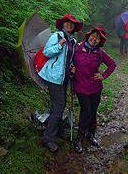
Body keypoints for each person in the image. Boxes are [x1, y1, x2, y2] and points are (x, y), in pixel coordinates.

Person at [38, 13, 82, 153]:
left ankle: (56, 130)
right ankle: (47, 137)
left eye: (72, 23)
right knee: (59, 106)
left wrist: (72, 66)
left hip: (65, 77)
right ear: (62, 24)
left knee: (58, 106)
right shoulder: (56, 37)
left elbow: (69, 58)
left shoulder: (73, 41)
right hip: (54, 77)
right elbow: (46, 52)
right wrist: (58, 45)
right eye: (67, 22)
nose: (69, 25)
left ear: (74, 26)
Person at [70, 27, 116, 153]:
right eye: (93, 36)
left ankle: (91, 135)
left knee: (93, 112)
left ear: (100, 42)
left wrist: (103, 75)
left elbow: (112, 64)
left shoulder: (100, 53)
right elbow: (69, 60)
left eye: (98, 39)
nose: (94, 40)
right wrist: (71, 67)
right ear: (89, 35)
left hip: (95, 88)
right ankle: (79, 139)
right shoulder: (77, 48)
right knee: (86, 111)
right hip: (80, 86)